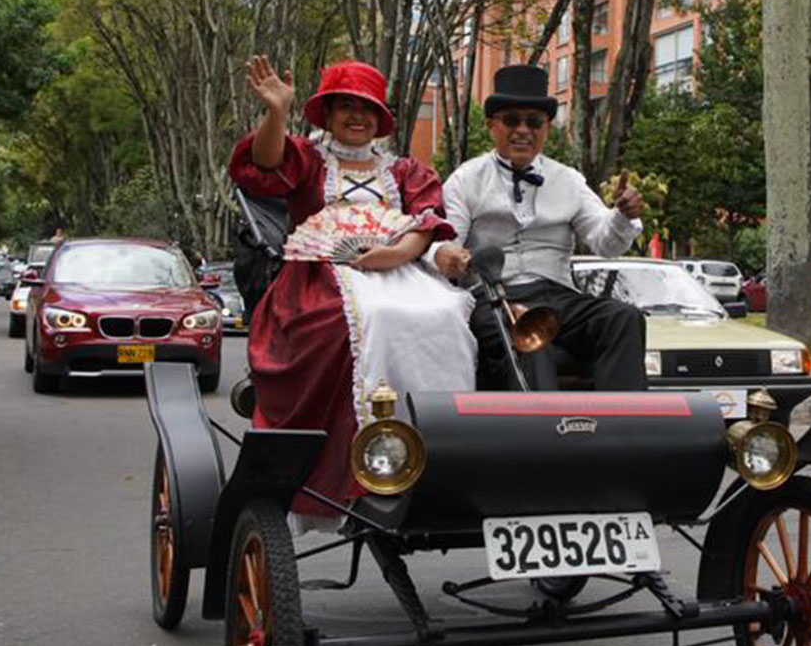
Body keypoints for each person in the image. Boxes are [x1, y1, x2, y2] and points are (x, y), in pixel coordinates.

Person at [228, 56, 476, 520]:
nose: (356, 116)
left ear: (379, 118)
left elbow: (425, 222)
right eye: (345, 106)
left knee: (447, 315)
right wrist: (276, 113)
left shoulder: (404, 172)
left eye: (365, 107)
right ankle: (361, 460)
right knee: (360, 323)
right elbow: (262, 165)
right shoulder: (306, 159)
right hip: (319, 277)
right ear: (328, 113)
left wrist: (399, 253)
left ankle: (435, 453)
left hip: (399, 271)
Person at [429, 64, 647, 391]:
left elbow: (607, 244)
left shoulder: (569, 180)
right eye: (511, 120)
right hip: (494, 299)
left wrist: (622, 216)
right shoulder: (465, 179)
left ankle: (626, 433)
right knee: (528, 340)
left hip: (558, 295)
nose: (522, 130)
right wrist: (448, 256)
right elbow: (445, 243)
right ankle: (544, 439)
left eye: (534, 122)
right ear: (491, 126)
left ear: (546, 128)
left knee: (623, 318)